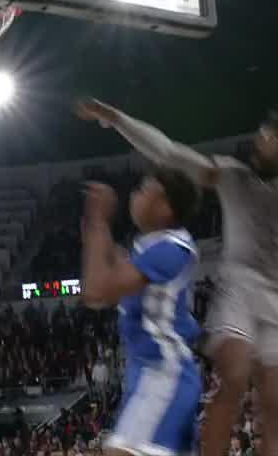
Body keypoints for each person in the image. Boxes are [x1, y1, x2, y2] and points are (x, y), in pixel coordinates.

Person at [77, 18, 278, 456]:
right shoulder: (235, 177)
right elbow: (168, 151)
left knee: (274, 421)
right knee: (235, 377)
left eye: (270, 135)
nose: (259, 137)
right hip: (239, 291)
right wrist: (114, 118)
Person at [79, 172, 203, 456]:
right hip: (149, 372)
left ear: (166, 207)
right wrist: (94, 231)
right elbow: (106, 278)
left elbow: (97, 292)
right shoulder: (148, 249)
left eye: (145, 188)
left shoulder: (171, 249)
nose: (135, 193)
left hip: (163, 373)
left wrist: (99, 222)